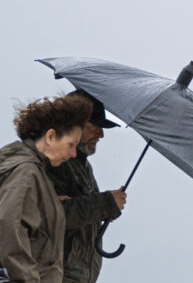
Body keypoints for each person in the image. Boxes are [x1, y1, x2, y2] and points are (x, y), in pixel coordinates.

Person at [0, 94, 92, 283]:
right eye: (71, 145)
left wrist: (50, 206)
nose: (72, 154)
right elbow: (12, 235)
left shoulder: (34, 172)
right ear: (51, 136)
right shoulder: (26, 173)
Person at [47, 90, 127, 283]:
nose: (101, 134)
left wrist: (108, 206)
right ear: (74, 124)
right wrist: (106, 203)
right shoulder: (54, 160)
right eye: (96, 126)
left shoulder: (82, 165)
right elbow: (52, 216)